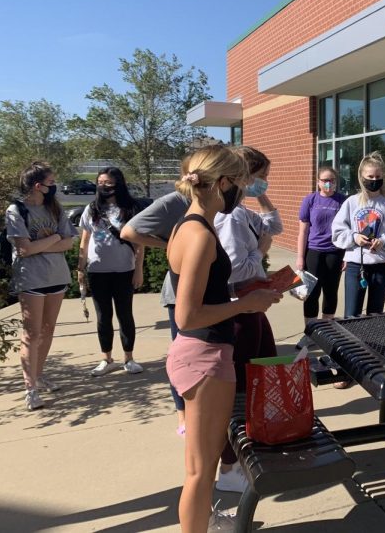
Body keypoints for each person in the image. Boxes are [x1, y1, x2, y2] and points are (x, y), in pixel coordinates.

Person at [165, 145, 281, 533]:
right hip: (205, 356)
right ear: (225, 182)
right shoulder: (199, 234)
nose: (245, 191)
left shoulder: (189, 225)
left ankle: (204, 522)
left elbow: (202, 300)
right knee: (201, 471)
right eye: (243, 183)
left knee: (201, 467)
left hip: (200, 353)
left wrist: (245, 300)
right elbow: (188, 315)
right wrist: (246, 304)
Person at [213, 146, 282, 493]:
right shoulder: (231, 217)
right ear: (245, 176)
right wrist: (261, 252)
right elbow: (235, 266)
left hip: (250, 303)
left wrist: (265, 199)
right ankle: (229, 466)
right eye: (261, 177)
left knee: (260, 371)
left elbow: (275, 226)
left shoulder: (241, 210)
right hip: (239, 304)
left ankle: (248, 446)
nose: (263, 183)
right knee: (239, 386)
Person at [122, 165, 192, 434]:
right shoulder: (174, 202)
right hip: (179, 291)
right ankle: (182, 415)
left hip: (210, 289)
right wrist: (171, 245)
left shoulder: (216, 204)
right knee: (181, 356)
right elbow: (130, 232)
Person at [6, 162, 77, 411]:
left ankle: (38, 376)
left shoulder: (55, 209)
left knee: (47, 330)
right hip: (31, 279)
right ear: (38, 186)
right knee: (32, 334)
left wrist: (45, 243)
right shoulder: (17, 211)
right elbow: (24, 249)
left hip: (57, 277)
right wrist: (55, 237)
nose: (54, 185)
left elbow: (69, 243)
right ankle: (30, 389)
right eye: (51, 182)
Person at [77, 167, 146, 376]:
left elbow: (140, 242)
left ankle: (129, 358)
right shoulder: (92, 208)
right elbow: (85, 239)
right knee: (102, 316)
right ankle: (106, 359)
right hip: (98, 270)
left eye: (108, 182)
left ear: (118, 184)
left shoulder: (130, 208)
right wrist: (80, 268)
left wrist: (138, 270)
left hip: (124, 270)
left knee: (125, 315)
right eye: (100, 182)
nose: (103, 186)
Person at [332, 151, 385, 319]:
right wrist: (354, 237)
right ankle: (351, 345)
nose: (374, 180)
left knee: (375, 313)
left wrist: (384, 241)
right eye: (370, 176)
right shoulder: (352, 202)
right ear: (361, 176)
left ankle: (372, 345)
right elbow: (337, 232)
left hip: (382, 265)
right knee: (352, 314)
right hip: (355, 266)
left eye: (377, 176)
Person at [296, 165, 346, 339]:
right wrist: (300, 257)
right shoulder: (310, 200)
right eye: (325, 180)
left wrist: (346, 255)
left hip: (335, 252)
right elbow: (303, 231)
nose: (328, 184)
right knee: (311, 294)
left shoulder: (342, 201)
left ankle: (326, 333)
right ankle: (309, 334)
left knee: (330, 292)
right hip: (314, 252)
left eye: (332, 180)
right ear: (318, 182)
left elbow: (349, 230)